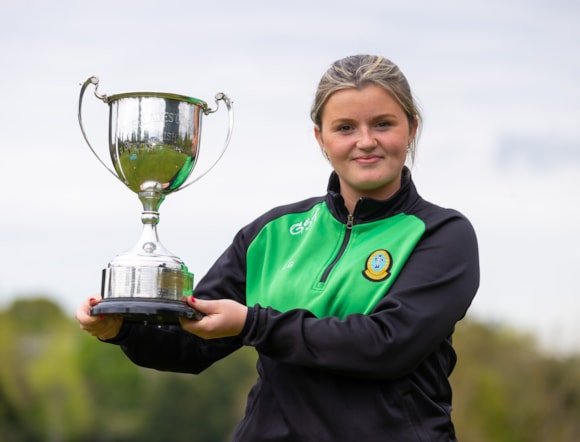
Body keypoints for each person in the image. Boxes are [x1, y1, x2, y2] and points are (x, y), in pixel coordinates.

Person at [76, 54, 479, 441]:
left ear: (411, 128)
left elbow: (386, 345)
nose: (366, 141)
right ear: (320, 137)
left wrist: (254, 324)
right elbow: (191, 343)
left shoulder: (442, 234)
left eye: (383, 124)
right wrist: (122, 329)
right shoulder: (271, 233)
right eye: (345, 128)